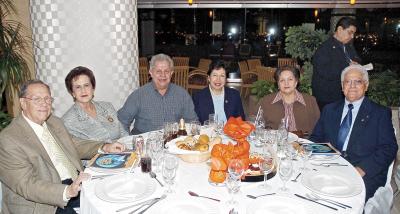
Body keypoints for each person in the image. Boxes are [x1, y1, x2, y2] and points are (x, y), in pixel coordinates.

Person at [0, 80, 125, 214]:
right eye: (37, 99)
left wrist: (104, 147)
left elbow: (74, 144)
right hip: (45, 201)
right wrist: (67, 191)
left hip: (76, 182)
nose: (44, 103)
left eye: (48, 99)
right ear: (23, 103)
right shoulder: (8, 139)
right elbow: (26, 184)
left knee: (117, 197)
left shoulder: (54, 122)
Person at [310, 64, 398, 201]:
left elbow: (389, 148)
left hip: (363, 172)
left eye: (357, 81)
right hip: (329, 167)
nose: (352, 86)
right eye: (347, 82)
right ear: (342, 86)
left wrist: (362, 169)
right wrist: (326, 150)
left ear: (366, 86)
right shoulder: (329, 110)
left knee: (341, 201)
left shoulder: (379, 113)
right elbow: (315, 138)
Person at [118, 53, 198, 134]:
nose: (162, 75)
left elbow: (192, 122)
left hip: (173, 141)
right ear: (151, 72)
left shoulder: (182, 94)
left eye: (166, 71)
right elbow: (122, 121)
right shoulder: (138, 95)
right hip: (145, 142)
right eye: (158, 71)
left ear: (171, 73)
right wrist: (126, 142)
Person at [62, 66, 128, 141]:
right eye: (78, 87)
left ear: (93, 88)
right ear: (72, 93)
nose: (83, 91)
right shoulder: (68, 121)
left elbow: (123, 134)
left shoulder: (107, 107)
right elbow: (78, 149)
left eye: (86, 85)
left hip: (123, 150)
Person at [312, 16, 361, 110]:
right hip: (328, 97)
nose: (352, 37)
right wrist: (348, 67)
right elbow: (326, 72)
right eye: (350, 32)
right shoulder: (325, 48)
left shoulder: (348, 46)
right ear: (339, 29)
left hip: (344, 94)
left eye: (353, 34)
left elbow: (357, 58)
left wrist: (356, 63)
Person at [256, 65, 320, 134]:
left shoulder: (310, 101)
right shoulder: (266, 101)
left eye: (290, 79)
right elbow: (256, 126)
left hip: (304, 143)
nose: (286, 83)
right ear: (278, 84)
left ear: (296, 82)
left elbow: (319, 128)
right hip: (275, 143)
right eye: (282, 80)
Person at [192, 60, 245, 125]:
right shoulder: (198, 97)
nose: (218, 80)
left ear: (226, 79)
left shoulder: (234, 95)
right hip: (207, 134)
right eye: (215, 75)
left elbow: (241, 121)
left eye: (222, 76)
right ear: (209, 78)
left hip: (230, 133)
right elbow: (196, 122)